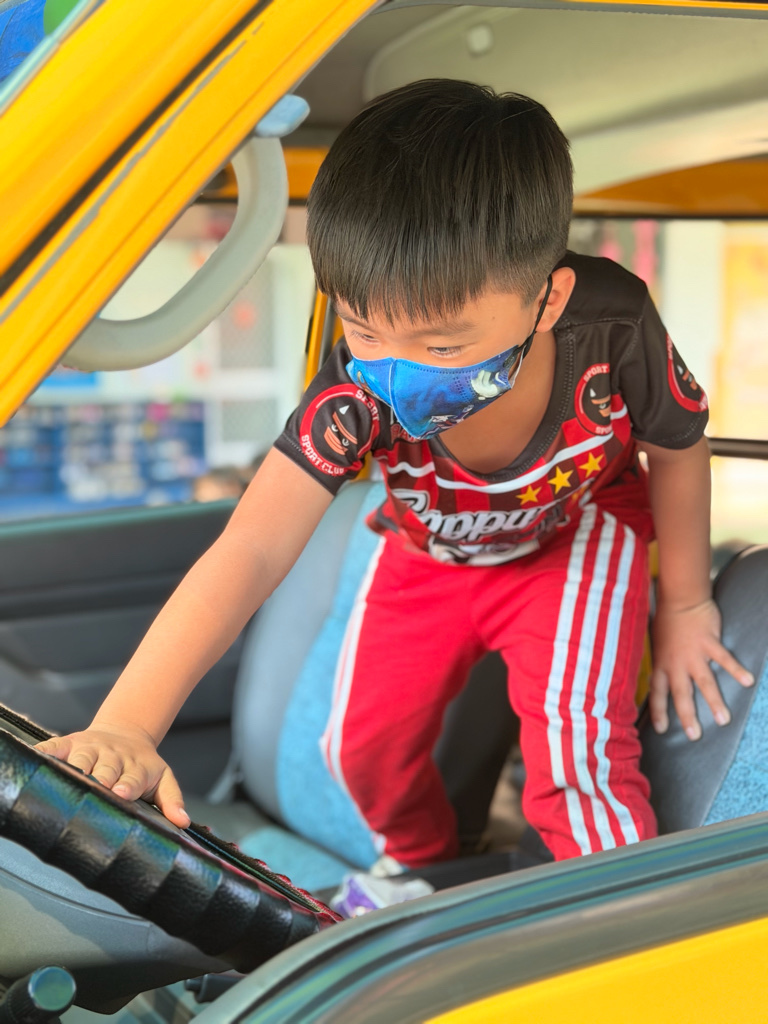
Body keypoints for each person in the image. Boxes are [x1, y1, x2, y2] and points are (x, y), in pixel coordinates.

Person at [38, 79, 753, 868]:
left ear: (548, 301)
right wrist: (127, 725)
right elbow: (252, 548)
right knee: (359, 753)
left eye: (442, 346)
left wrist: (684, 605)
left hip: (574, 536)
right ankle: (423, 871)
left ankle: (621, 922)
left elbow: (678, 447)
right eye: (364, 329)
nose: (397, 370)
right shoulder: (352, 396)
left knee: (578, 763)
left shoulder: (614, 326)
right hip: (427, 552)